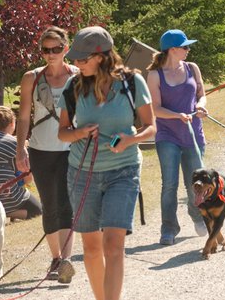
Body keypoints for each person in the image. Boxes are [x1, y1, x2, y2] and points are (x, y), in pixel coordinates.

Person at [57, 26, 155, 300]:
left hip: (122, 171)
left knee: (113, 245)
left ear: (100, 56)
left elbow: (150, 128)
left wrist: (128, 139)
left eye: (82, 59)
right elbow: (63, 132)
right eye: (74, 59)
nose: (76, 64)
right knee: (91, 248)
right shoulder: (73, 85)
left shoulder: (132, 82)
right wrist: (80, 132)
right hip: (82, 171)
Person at [15, 26, 78, 283]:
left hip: (71, 149)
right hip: (41, 150)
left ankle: (66, 260)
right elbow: (22, 116)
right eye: (45, 50)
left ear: (66, 49)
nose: (50, 54)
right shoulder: (32, 78)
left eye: (55, 49)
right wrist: (21, 148)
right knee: (50, 206)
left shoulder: (77, 75)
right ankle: (56, 257)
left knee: (68, 205)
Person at [146, 29, 208, 246]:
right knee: (169, 184)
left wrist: (200, 106)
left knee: (196, 182)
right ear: (172, 49)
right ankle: (168, 228)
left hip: (193, 133)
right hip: (167, 134)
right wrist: (176, 116)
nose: (188, 50)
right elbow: (155, 108)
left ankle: (198, 215)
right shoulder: (154, 75)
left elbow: (201, 94)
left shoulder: (192, 68)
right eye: (185, 47)